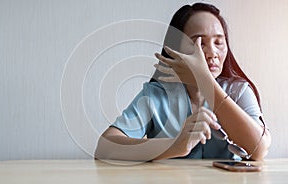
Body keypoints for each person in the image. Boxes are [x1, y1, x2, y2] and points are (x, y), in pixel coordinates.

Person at [94, 2, 271, 161]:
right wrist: (174, 145)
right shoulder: (156, 95)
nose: (212, 53)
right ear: (175, 49)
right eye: (199, 43)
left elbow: (259, 149)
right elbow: (105, 149)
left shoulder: (238, 91)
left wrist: (205, 81)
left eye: (219, 42)